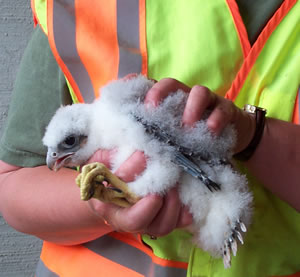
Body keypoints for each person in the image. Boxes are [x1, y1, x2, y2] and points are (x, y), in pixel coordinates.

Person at [0, 0, 299, 276]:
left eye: (66, 146)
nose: (55, 157)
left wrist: (253, 135)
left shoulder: (121, 114)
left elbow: (177, 153)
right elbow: (14, 180)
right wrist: (100, 204)